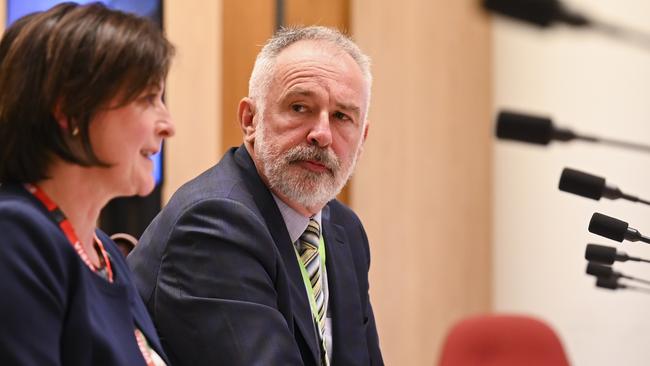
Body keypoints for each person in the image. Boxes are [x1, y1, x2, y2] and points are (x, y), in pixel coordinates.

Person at [128, 26, 383, 365]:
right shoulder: (214, 224)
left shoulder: (344, 231)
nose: (322, 134)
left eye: (341, 117)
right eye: (299, 107)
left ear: (362, 138)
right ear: (250, 119)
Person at [0, 3, 175, 365]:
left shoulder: (106, 253)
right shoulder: (15, 237)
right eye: (147, 99)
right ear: (70, 111)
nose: (168, 124)